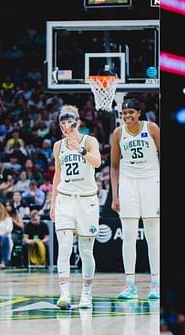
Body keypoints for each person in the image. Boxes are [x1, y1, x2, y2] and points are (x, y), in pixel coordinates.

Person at [50, 105, 101, 309]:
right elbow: (57, 174)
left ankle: (86, 293)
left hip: (87, 200)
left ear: (77, 122)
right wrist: (52, 201)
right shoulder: (58, 146)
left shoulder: (89, 141)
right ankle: (65, 294)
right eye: (61, 124)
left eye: (68, 123)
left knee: (86, 251)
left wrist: (80, 150)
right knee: (64, 247)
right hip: (65, 199)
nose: (65, 127)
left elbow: (97, 162)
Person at [110, 98, 160, 300]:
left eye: (131, 112)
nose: (127, 116)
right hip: (128, 183)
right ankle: (130, 284)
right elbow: (114, 166)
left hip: (151, 181)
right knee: (128, 235)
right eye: (124, 113)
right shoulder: (118, 133)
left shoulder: (152, 128)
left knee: (153, 235)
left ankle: (155, 282)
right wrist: (115, 194)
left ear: (139, 112)